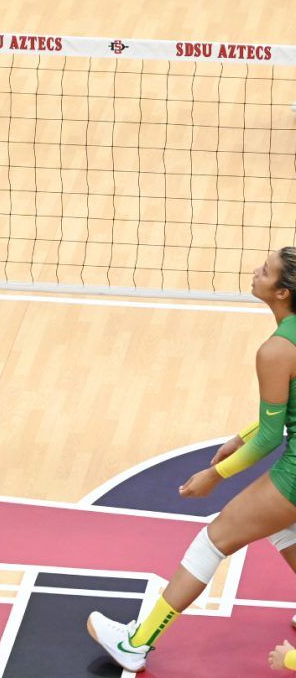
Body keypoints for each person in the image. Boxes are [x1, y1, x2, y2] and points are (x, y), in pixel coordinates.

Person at [87, 248, 296, 673]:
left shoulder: (276, 350)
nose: (256, 272)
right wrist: (240, 438)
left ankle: (136, 643)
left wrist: (213, 476)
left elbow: (272, 435)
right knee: (282, 529)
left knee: (213, 540)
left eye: (266, 271)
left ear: (282, 291)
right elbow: (275, 419)